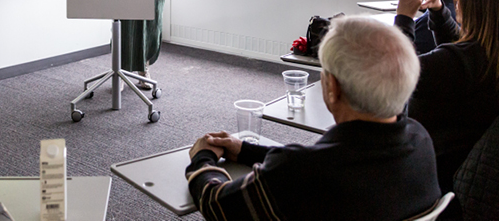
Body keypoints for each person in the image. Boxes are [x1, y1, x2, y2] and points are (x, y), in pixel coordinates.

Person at [186, 16, 442, 221]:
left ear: (333, 87)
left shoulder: (302, 173)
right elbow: (316, 158)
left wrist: (202, 157)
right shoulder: (420, 139)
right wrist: (245, 150)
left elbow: (217, 204)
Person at [396, 0, 499, 195]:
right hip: (462, 162)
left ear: (472, 3)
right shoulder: (486, 53)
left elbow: (400, 71)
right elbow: (460, 52)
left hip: (427, 172)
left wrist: (404, 19)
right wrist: (439, 10)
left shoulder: (458, 63)